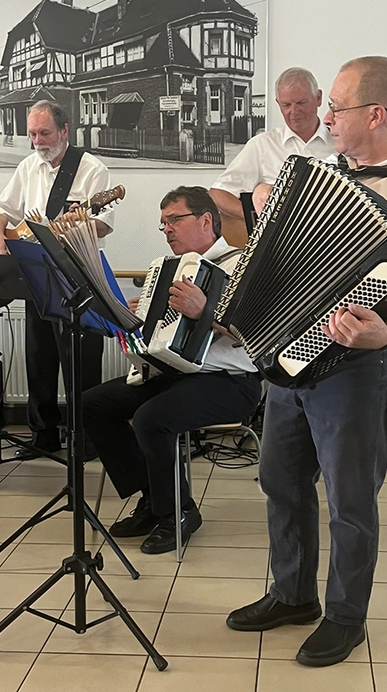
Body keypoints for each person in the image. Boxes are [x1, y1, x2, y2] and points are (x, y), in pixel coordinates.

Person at [226, 57, 387, 667]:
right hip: (290, 353)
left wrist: (386, 336)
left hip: (358, 366)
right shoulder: (329, 172)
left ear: (375, 114)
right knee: (280, 477)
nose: (325, 118)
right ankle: (292, 593)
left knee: (351, 498)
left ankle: (345, 617)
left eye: (337, 109)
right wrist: (267, 206)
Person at [82, 186, 262, 555]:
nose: (166, 230)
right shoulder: (169, 270)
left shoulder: (243, 264)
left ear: (206, 220)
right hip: (175, 375)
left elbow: (258, 334)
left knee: (151, 418)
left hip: (231, 382)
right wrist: (136, 315)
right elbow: (162, 334)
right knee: (93, 403)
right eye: (163, 223)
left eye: (174, 220)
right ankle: (152, 498)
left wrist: (206, 312)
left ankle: (177, 511)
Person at [0, 100, 113, 458]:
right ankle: (42, 437)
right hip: (37, 274)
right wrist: (0, 240)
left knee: (81, 360)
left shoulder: (91, 170)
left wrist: (80, 221)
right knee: (39, 357)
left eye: (44, 133)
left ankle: (87, 438)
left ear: (64, 131)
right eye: (32, 134)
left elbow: (105, 224)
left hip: (79, 274)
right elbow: (0, 210)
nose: (37, 141)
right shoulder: (28, 167)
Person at [210, 67, 334, 226]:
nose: (294, 111)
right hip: (281, 246)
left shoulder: (343, 144)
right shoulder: (262, 145)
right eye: (286, 105)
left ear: (318, 98)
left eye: (301, 103)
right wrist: (261, 222)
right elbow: (218, 193)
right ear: (278, 104)